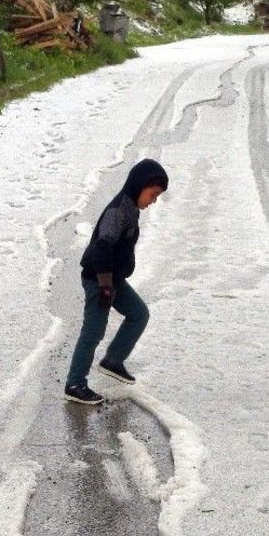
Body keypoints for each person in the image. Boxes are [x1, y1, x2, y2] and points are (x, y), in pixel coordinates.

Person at [64, 159, 168, 405]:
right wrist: (105, 286)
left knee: (139, 314)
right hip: (98, 278)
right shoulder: (118, 211)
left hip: (114, 279)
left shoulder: (131, 208)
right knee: (93, 331)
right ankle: (75, 383)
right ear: (140, 185)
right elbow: (102, 247)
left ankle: (113, 360)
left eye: (157, 196)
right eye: (153, 194)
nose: (154, 200)